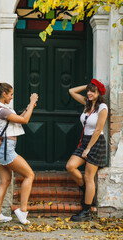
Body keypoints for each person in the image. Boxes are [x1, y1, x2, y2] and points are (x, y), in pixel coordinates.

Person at [0, 82, 38, 225]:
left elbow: (18, 120)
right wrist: (32, 101)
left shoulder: (1, 109)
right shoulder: (2, 111)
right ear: (4, 94)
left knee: (5, 181)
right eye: (10, 94)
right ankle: (22, 211)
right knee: (29, 175)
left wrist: (29, 108)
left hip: (1, 150)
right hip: (6, 150)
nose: (11, 97)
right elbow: (25, 120)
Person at [66, 79, 108, 222]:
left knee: (89, 177)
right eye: (88, 90)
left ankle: (86, 211)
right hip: (84, 142)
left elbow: (98, 130)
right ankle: (86, 191)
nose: (89, 93)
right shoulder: (87, 103)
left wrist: (88, 148)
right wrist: (90, 84)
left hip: (96, 143)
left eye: (93, 91)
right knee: (70, 166)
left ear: (99, 93)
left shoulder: (102, 107)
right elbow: (71, 91)